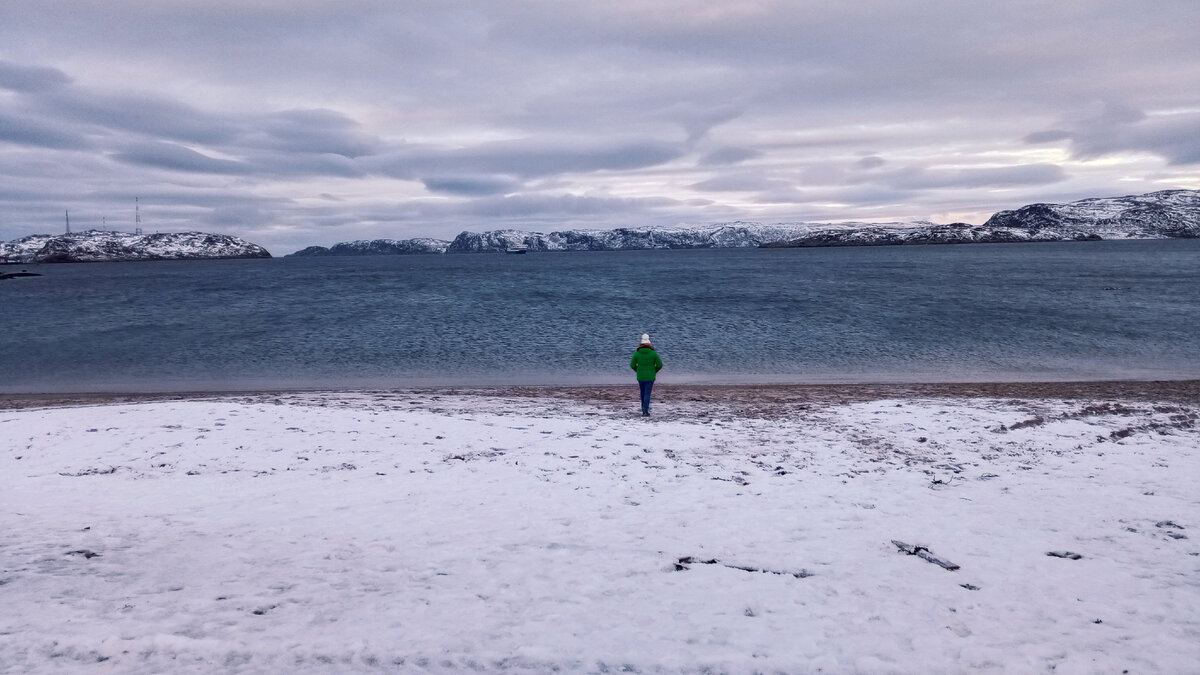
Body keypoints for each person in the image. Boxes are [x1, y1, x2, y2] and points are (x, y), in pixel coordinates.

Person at [630, 333, 663, 416]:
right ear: (649, 343)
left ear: (641, 343)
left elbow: (632, 365)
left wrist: (638, 371)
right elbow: (659, 365)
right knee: (647, 394)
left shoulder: (637, 353)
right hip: (650, 377)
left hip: (640, 376)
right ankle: (645, 411)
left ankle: (643, 409)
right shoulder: (653, 353)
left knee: (642, 393)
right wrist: (654, 371)